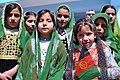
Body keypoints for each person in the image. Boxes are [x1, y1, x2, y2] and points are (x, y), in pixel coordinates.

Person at [15, 9, 67, 80]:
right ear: (36, 24)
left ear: (54, 24)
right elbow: (23, 65)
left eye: (49, 21)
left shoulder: (58, 44)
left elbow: (61, 65)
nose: (44, 24)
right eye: (41, 21)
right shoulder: (30, 43)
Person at [0, 2, 24, 80]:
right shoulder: (1, 32)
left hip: (17, 71)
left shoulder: (24, 34)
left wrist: (12, 72)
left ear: (21, 17)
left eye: (16, 15)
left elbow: (26, 57)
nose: (13, 18)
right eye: (9, 15)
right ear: (5, 16)